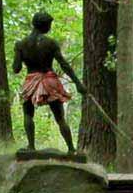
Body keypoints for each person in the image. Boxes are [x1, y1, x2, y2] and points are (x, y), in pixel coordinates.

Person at [12, 12, 85, 153]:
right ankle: (71, 149)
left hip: (31, 80)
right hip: (49, 80)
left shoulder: (21, 44)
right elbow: (64, 64)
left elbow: (16, 69)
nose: (50, 28)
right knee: (60, 117)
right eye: (49, 25)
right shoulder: (50, 43)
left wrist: (18, 52)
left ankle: (31, 146)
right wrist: (78, 83)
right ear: (44, 25)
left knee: (28, 113)